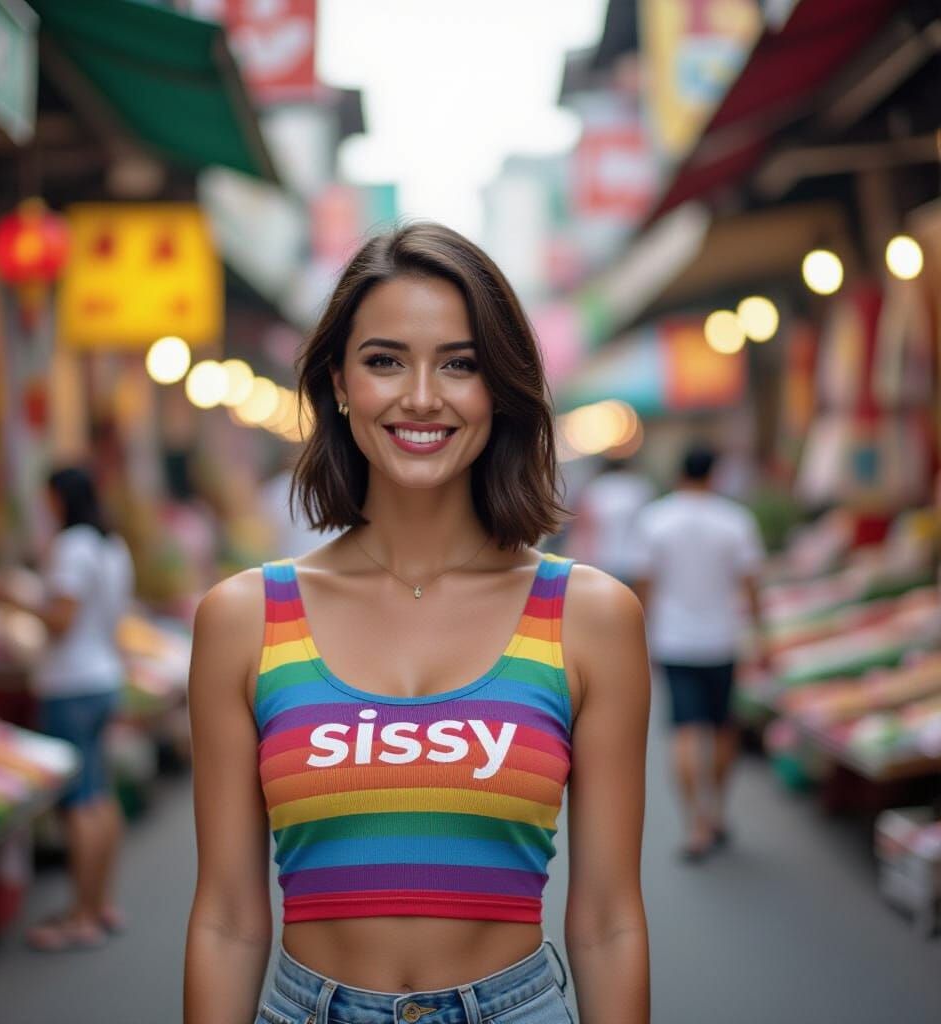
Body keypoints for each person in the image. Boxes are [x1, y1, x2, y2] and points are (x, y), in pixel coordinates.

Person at [184, 223, 651, 1024]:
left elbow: (609, 921)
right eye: (385, 360)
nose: (423, 396)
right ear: (337, 381)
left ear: (499, 388)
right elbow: (227, 919)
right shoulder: (244, 620)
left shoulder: (589, 616)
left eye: (460, 364)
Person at [1, 466, 135, 950]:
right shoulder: (110, 545)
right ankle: (100, 904)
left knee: (79, 803)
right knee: (99, 796)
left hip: (70, 684)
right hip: (102, 676)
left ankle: (81, 914)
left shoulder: (72, 546)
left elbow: (60, 619)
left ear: (60, 499)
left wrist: (17, 599)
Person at [632, 444, 766, 863]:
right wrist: (763, 634)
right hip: (722, 638)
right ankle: (719, 810)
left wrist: (643, 634)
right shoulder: (734, 520)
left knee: (686, 730)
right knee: (723, 727)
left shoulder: (656, 519)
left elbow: (645, 583)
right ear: (715, 474)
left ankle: (695, 823)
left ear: (678, 472)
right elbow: (750, 583)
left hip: (674, 639)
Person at [566, 457, 655, 585]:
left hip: (601, 558)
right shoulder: (639, 487)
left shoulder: (596, 488)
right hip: (633, 561)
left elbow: (584, 527)